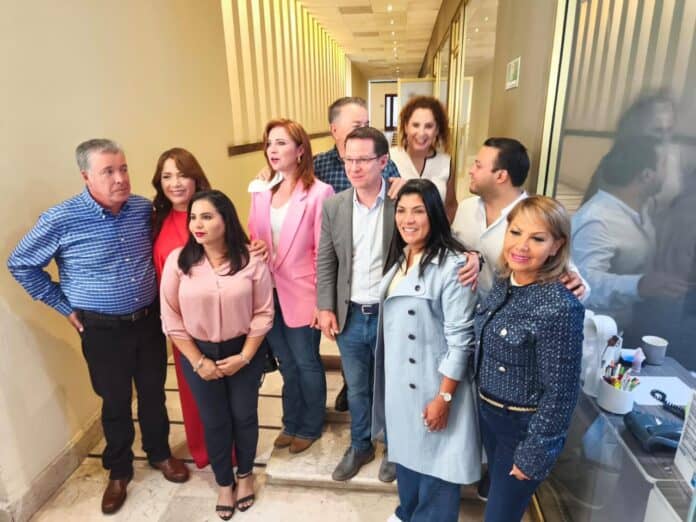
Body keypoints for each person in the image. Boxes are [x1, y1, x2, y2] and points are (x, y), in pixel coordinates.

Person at [7, 139, 189, 515]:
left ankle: (159, 452)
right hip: (102, 330)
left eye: (123, 168)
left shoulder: (143, 209)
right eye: (108, 171)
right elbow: (20, 263)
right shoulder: (61, 219)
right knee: (115, 400)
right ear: (86, 176)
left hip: (148, 321)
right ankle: (119, 471)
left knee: (153, 392)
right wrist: (62, 305)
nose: (120, 178)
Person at [160, 190, 273, 520]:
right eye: (194, 217)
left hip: (243, 351)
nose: (198, 224)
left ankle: (245, 475)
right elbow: (171, 317)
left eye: (207, 217)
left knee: (244, 415)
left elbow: (264, 312)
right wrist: (198, 361)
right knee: (214, 420)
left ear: (226, 220)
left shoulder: (251, 261)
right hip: (198, 353)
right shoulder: (179, 262)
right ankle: (224, 482)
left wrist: (245, 357)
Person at [373, 179, 480, 522]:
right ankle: (407, 512)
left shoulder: (453, 267)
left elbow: (461, 341)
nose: (408, 219)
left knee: (437, 467)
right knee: (407, 455)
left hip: (434, 385)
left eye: (418, 211)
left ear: (434, 214)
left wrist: (444, 398)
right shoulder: (402, 256)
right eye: (402, 211)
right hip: (401, 382)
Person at [474, 195, 584, 522]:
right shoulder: (504, 281)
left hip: (521, 428)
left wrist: (535, 453)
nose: (521, 246)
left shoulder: (560, 306)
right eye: (516, 232)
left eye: (537, 238)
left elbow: (561, 393)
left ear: (556, 246)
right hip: (489, 414)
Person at [317, 126, 399, 483]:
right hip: (349, 314)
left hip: (390, 315)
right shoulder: (334, 205)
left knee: (392, 384)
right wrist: (325, 306)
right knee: (357, 386)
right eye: (348, 159)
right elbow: (326, 259)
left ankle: (395, 447)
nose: (354, 167)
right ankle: (360, 444)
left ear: (383, 161)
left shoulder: (401, 201)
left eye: (363, 159)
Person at [248, 119, 334, 454]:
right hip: (267, 292)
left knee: (305, 361)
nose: (273, 149)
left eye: (281, 143)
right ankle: (291, 421)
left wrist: (322, 301)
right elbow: (253, 235)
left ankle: (310, 424)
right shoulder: (261, 191)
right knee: (285, 362)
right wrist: (256, 247)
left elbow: (324, 252)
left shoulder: (319, 193)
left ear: (300, 150)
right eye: (270, 143)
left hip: (303, 293)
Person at [572, 137, 685, 333]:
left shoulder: (643, 206)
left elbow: (672, 193)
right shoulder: (597, 220)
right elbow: (584, 285)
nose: (669, 174)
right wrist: (639, 285)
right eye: (665, 166)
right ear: (647, 175)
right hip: (594, 333)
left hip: (625, 325)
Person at [452, 137, 587, 300]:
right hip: (465, 307)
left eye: (478, 166)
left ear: (501, 176)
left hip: (512, 311)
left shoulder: (537, 217)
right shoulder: (466, 207)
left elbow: (573, 280)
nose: (471, 171)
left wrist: (577, 286)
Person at [151, 147, 212, 468]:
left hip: (214, 320)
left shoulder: (211, 211)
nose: (175, 183)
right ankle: (203, 449)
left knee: (220, 390)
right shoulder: (154, 219)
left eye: (182, 175)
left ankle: (231, 451)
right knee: (192, 391)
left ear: (196, 178)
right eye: (167, 176)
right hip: (178, 323)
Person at [389, 96, 458, 220]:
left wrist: (442, 230)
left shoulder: (446, 163)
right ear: (406, 127)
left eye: (429, 126)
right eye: (415, 125)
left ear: (437, 130)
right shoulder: (390, 157)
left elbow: (450, 206)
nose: (421, 133)